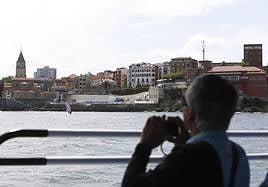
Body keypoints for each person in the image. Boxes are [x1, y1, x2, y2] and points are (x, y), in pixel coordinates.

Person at [122, 74, 250, 187]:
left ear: (190, 114)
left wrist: (144, 146)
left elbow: (131, 184)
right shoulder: (238, 154)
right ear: (231, 112)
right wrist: (183, 145)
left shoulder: (187, 157)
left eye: (185, 106)